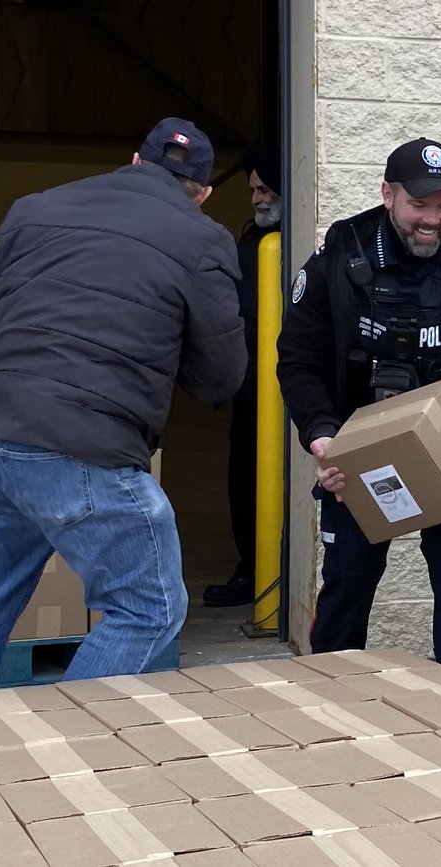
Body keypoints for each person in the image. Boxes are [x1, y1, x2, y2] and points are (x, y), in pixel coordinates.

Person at [0, 117, 246, 693]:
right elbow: (220, 378)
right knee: (149, 610)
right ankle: (65, 747)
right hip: (79, 447)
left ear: (133, 161)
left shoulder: (33, 209)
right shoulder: (204, 239)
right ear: (203, 192)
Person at [277, 137, 441, 664]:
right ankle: (330, 694)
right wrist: (321, 436)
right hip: (355, 454)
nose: (432, 219)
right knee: (349, 579)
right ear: (387, 195)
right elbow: (299, 360)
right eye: (419, 205)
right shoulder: (339, 258)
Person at [204, 144, 281, 608]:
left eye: (265, 189)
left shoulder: (299, 245)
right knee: (245, 479)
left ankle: (277, 576)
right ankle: (251, 570)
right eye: (253, 189)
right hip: (250, 387)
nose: (255, 198)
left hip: (290, 389)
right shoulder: (251, 242)